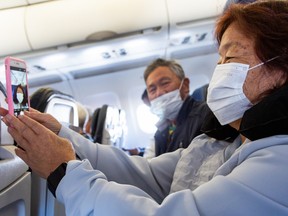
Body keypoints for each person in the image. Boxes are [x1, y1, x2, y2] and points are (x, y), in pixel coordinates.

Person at [2, 1, 288, 215]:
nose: (220, 70)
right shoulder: (223, 140)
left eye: (232, 56)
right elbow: (148, 176)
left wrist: (63, 172)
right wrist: (64, 136)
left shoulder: (280, 161)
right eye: (220, 59)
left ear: (282, 68)